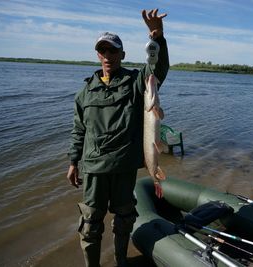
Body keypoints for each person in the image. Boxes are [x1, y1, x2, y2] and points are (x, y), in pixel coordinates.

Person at [66, 8, 169, 267]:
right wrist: (72, 161)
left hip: (124, 167)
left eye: (113, 51)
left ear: (122, 54)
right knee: (90, 223)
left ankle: (121, 261)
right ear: (98, 54)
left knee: (124, 219)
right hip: (93, 169)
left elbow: (157, 69)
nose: (108, 56)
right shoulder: (85, 92)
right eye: (103, 51)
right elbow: (79, 129)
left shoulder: (136, 81)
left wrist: (158, 38)